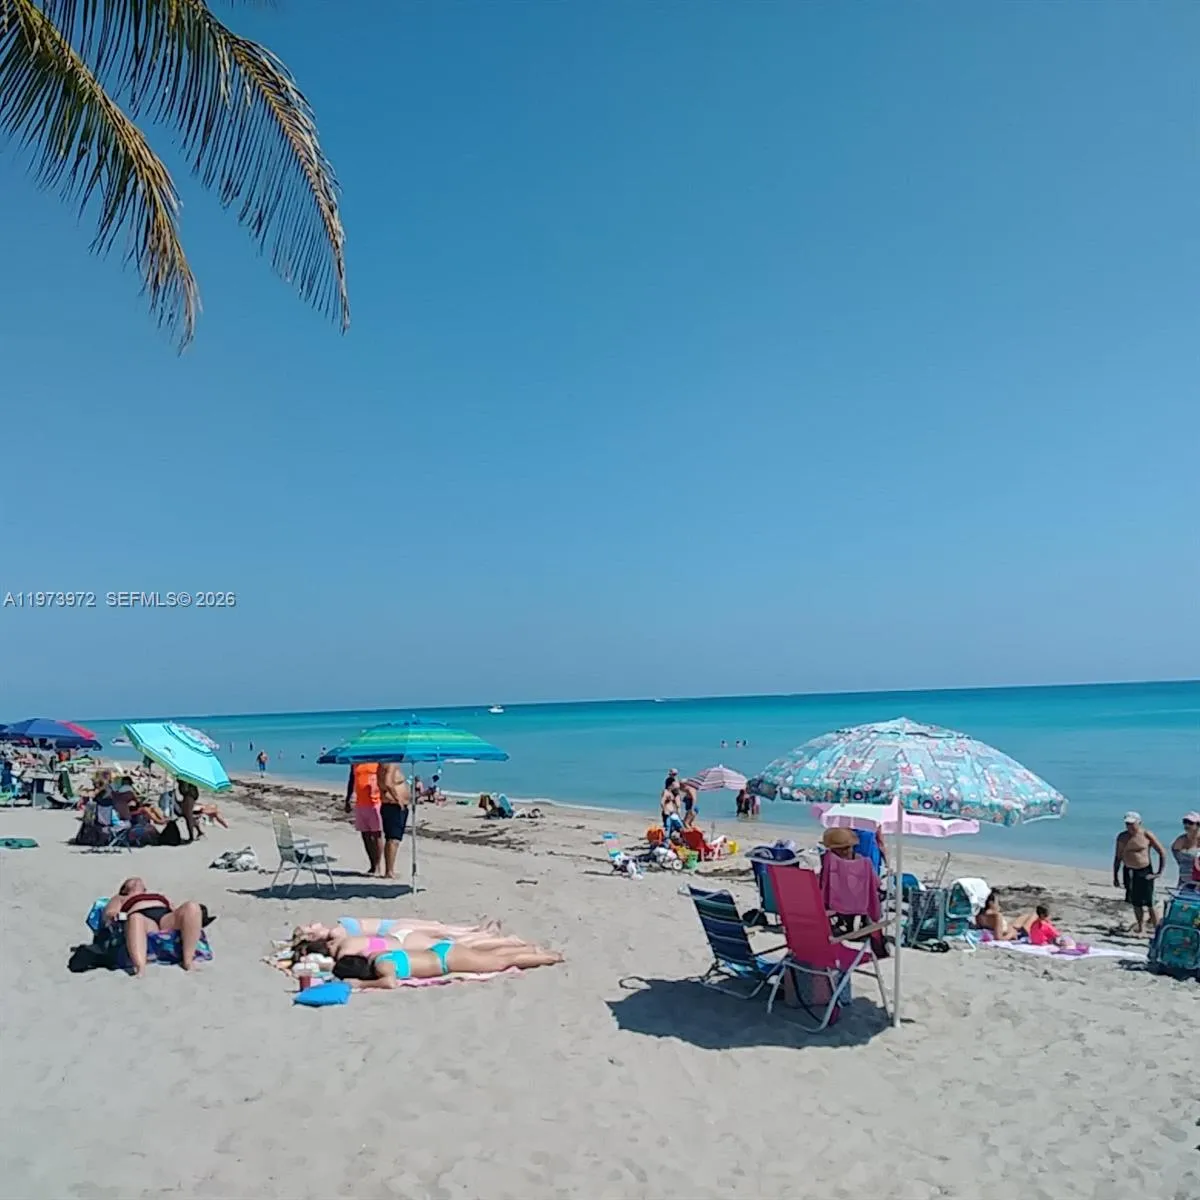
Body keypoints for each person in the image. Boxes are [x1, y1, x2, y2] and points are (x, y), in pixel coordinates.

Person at [294, 931, 563, 989]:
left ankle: (549, 958)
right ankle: (534, 950)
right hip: (441, 950)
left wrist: (360, 985)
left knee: (499, 963)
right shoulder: (376, 957)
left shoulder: (383, 968)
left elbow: (389, 983)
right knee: (493, 957)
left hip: (446, 961)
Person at [101, 877, 208, 976]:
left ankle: (188, 961)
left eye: (138, 881)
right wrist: (122, 917)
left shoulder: (158, 896)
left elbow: (174, 909)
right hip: (143, 919)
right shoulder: (120, 898)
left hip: (165, 917)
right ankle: (140, 968)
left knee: (192, 906)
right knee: (135, 918)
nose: (136, 881)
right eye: (131, 881)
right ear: (124, 889)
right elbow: (110, 913)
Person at [1113, 812, 1165, 934]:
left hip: (1145, 871)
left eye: (1132, 824)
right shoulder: (1122, 837)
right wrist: (1115, 876)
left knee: (1150, 902)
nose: (1129, 826)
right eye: (1127, 824)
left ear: (1139, 823)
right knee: (1136, 902)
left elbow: (1162, 852)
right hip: (1129, 871)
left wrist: (1159, 872)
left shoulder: (1146, 835)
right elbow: (1118, 857)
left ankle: (1157, 929)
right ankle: (1141, 927)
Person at [377, 762, 411, 879]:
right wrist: (398, 799)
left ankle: (389, 869)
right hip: (394, 805)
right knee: (393, 839)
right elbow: (388, 783)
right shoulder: (391, 763)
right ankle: (389, 871)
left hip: (389, 804)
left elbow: (381, 783)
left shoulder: (381, 765)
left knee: (391, 838)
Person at [349, 761, 383, 875]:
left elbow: (384, 778)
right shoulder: (355, 762)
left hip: (375, 801)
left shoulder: (377, 761)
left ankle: (377, 865)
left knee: (376, 834)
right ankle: (372, 864)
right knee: (365, 835)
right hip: (360, 802)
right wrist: (348, 798)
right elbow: (352, 779)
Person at [1169, 812, 1200, 889]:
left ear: (1198, 825)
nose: (1187, 825)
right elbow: (1177, 857)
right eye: (1185, 822)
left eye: (1190, 823)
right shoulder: (1180, 840)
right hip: (1184, 880)